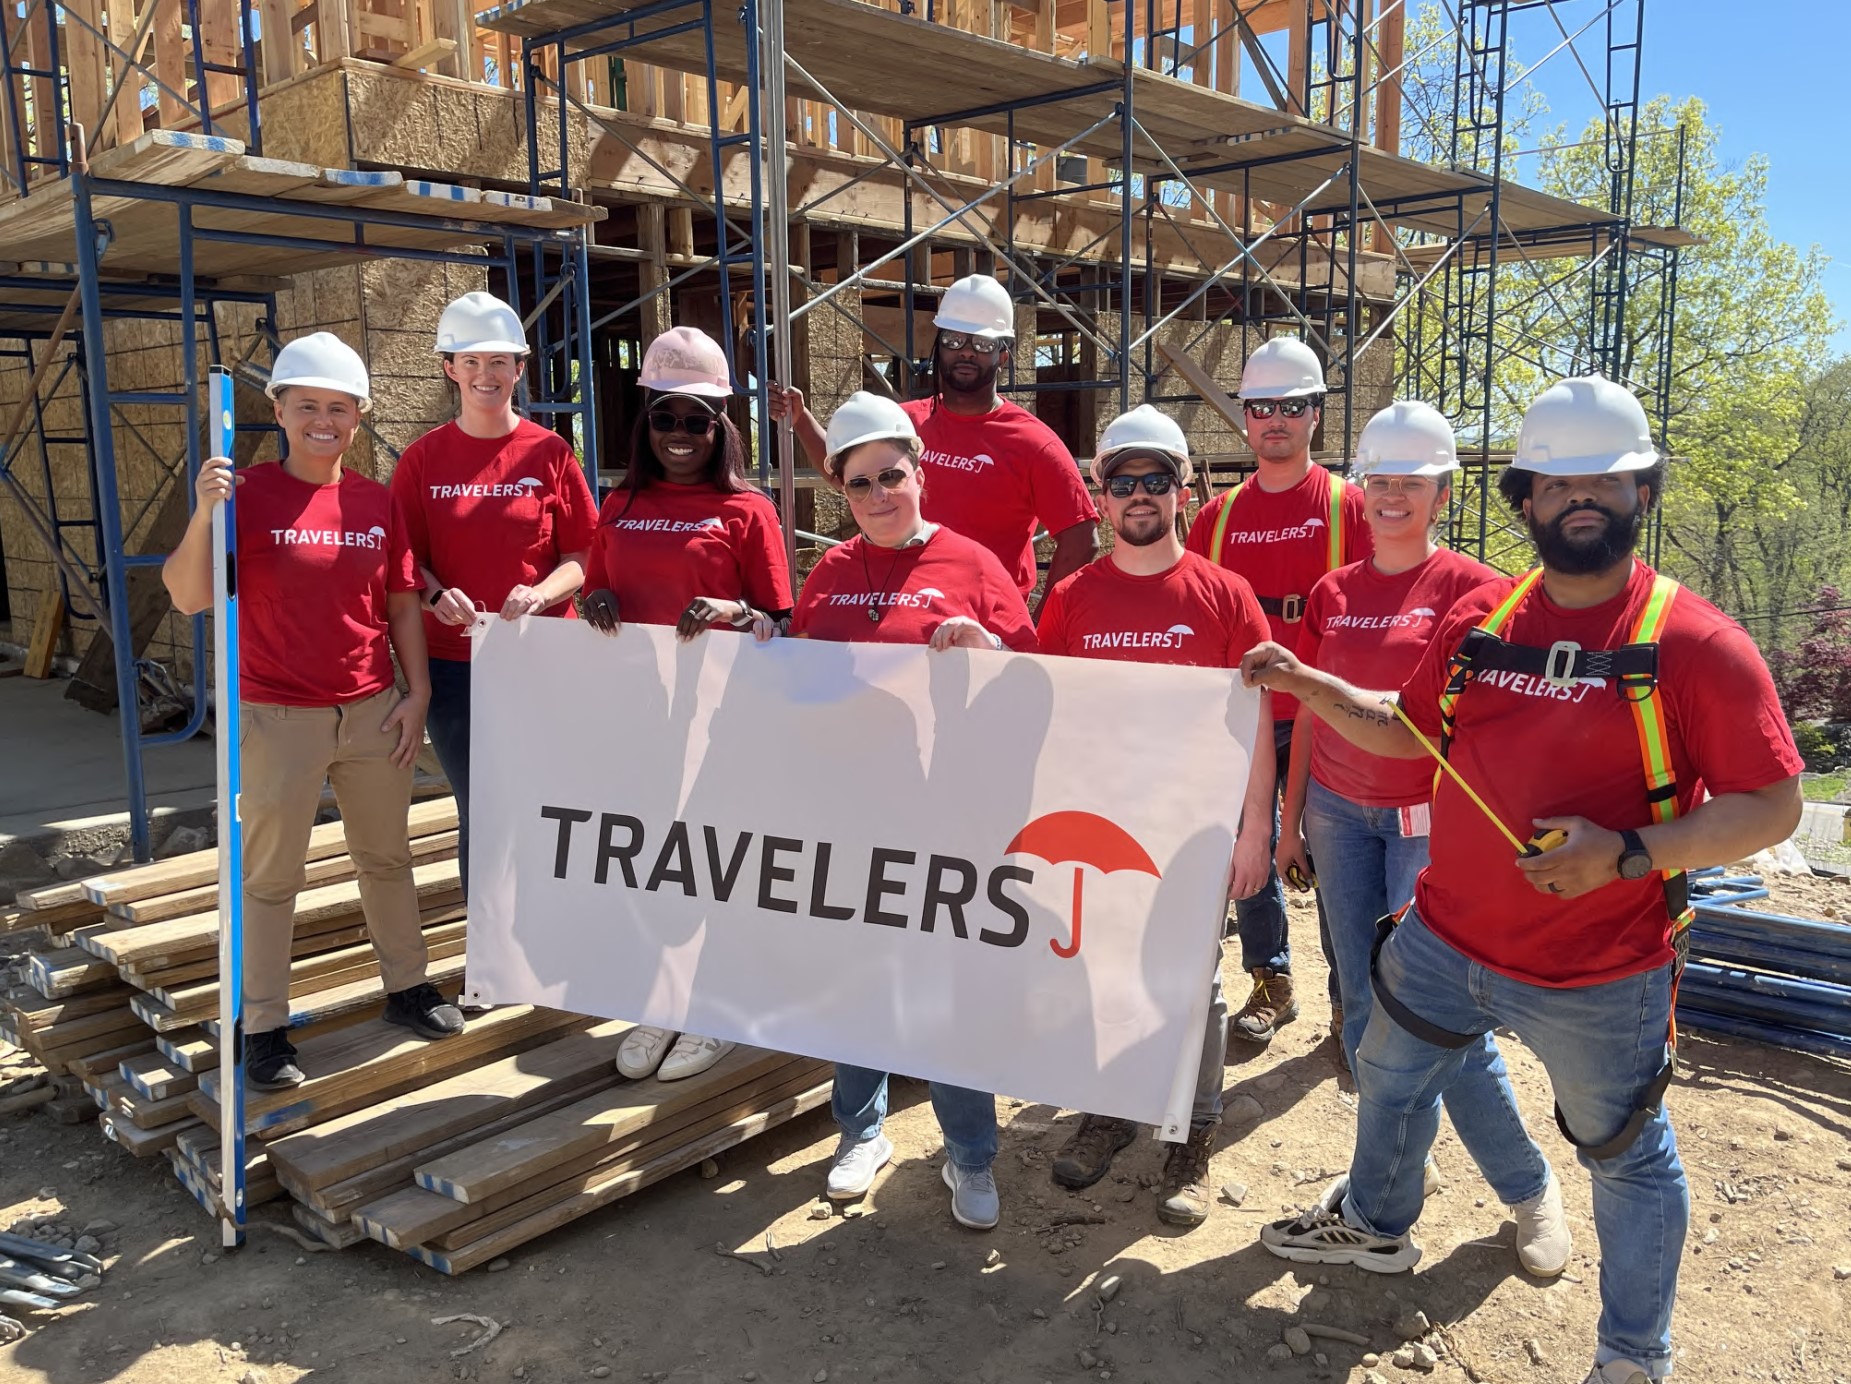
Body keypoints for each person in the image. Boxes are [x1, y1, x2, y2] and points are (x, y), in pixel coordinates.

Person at [1241, 377, 1804, 1384]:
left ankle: (1633, 1356)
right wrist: (1306, 683)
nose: (1579, 496)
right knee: (1390, 1072)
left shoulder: (1694, 641)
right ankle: (1378, 1220)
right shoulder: (1485, 618)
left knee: (1624, 1154)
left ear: (1642, 490)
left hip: (1600, 971)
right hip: (1445, 940)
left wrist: (1628, 850)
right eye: (1556, 481)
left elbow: (1773, 806)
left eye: (1606, 479)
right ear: (1527, 496)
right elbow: (1406, 725)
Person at [1274, 400, 1569, 1273]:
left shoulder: (1476, 592)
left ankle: (1527, 1190)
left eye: (1410, 482)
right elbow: (1310, 715)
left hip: (1425, 825)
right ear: (1360, 489)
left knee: (1436, 1020)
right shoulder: (1333, 591)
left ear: (1442, 491)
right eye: (1379, 481)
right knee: (1365, 1012)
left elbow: (1492, 734)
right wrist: (1292, 820)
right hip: (1336, 814)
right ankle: (1388, 1185)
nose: (1392, 497)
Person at [161, 333, 464, 1090]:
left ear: (357, 418)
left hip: (371, 709)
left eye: (337, 408)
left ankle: (407, 987)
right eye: (307, 407)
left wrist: (415, 691)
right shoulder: (246, 494)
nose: (322, 421)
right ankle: (262, 1023)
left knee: (386, 858)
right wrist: (203, 513)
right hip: (277, 715)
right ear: (279, 411)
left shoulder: (373, 501)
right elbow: (189, 595)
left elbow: (399, 603)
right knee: (271, 876)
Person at [789, 390, 1037, 1230]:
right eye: (858, 485)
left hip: (948, 819)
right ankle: (861, 1133)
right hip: (853, 818)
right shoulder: (826, 574)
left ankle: (969, 1156)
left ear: (917, 471)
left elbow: (1038, 683)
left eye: (889, 475)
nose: (877, 496)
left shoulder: (971, 564)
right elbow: (796, 683)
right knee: (862, 981)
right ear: (841, 493)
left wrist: (989, 647)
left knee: (944, 992)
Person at [1034, 405, 1274, 1228]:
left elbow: (1256, 724)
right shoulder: (1068, 598)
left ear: (1184, 488)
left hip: (1194, 827)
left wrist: (1256, 831)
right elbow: (1048, 716)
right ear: (1099, 495)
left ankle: (1191, 1135)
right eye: (1122, 481)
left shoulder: (1225, 595)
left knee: (1193, 986)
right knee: (1104, 976)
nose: (1139, 495)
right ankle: (1112, 1109)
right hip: (1101, 826)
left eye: (1156, 480)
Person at [581, 325, 795, 1084]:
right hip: (642, 720)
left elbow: (782, 619)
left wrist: (735, 613)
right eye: (665, 417)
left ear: (721, 428)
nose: (680, 434)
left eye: (696, 420)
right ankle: (662, 999)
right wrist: (594, 595)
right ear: (645, 421)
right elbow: (598, 587)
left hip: (722, 722)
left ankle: (718, 1008)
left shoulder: (746, 510)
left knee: (714, 864)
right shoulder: (621, 501)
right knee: (655, 863)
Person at [1186, 336, 1371, 1046]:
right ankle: (1271, 978)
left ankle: (1347, 1001)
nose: (1274, 420)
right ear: (1243, 416)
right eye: (1261, 406)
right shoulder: (1217, 518)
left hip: (1323, 715)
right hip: (1245, 715)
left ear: (1314, 414)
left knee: (1329, 857)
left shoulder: (1347, 508)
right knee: (1250, 849)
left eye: (1290, 407)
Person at [390, 292, 597, 897]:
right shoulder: (423, 460)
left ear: (520, 368)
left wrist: (538, 593)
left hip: (545, 659)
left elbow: (583, 555)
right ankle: (490, 956)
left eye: (500, 362)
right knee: (483, 806)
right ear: (449, 368)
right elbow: (405, 558)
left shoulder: (550, 453)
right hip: (457, 668)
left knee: (550, 800)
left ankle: (553, 936)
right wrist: (434, 596)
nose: (487, 375)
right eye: (471, 361)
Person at [769, 273, 1099, 610]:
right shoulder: (903, 423)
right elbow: (850, 475)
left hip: (983, 619)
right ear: (939, 346)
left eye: (982, 345)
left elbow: (1081, 538)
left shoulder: (1032, 443)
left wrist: (1043, 626)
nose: (966, 352)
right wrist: (800, 420)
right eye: (955, 340)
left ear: (1003, 355)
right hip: (902, 603)